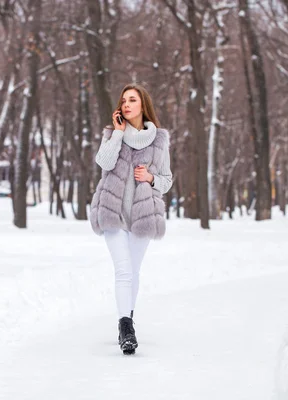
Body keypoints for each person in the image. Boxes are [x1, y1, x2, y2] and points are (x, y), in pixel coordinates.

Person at [89, 83, 173, 355]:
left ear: (142, 105)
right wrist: (117, 134)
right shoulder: (113, 134)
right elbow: (103, 162)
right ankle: (126, 327)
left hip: (142, 216)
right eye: (123, 100)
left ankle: (128, 315)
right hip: (112, 212)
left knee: (133, 272)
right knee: (123, 270)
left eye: (132, 100)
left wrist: (150, 178)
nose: (126, 104)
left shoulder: (159, 140)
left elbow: (167, 180)